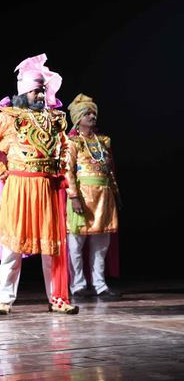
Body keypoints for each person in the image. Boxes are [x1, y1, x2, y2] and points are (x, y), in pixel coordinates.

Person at [0, 54, 78, 315]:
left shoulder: (55, 118)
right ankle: (5, 299)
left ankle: (57, 298)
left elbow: (66, 147)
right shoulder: (8, 117)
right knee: (12, 247)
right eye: (35, 91)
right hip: (18, 187)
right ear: (23, 92)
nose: (40, 95)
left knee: (52, 247)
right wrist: (0, 170)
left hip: (48, 189)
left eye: (42, 90)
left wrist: (63, 172)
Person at [65, 93, 121, 299]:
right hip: (82, 197)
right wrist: (73, 197)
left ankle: (100, 285)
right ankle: (77, 285)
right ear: (77, 118)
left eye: (93, 113)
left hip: (103, 197)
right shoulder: (72, 142)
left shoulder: (103, 141)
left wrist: (114, 193)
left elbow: (110, 171)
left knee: (101, 244)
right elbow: (67, 171)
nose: (92, 116)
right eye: (87, 113)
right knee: (76, 244)